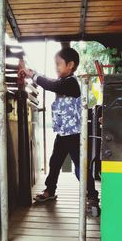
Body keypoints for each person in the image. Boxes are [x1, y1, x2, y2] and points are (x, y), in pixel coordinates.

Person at [21, 47, 99, 215]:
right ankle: (50, 190)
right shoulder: (65, 82)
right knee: (55, 162)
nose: (56, 68)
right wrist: (33, 73)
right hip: (63, 133)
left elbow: (51, 84)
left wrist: (33, 76)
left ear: (70, 65)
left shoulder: (71, 82)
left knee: (80, 167)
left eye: (58, 64)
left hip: (74, 134)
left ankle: (92, 196)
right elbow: (51, 82)